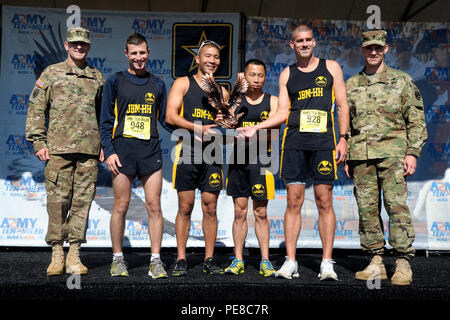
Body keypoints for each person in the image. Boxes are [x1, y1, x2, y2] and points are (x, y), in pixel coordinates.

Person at [238, 24, 350, 280]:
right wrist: (256, 127)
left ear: (314, 42)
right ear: (292, 44)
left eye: (308, 39)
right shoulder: (287, 74)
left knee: (324, 200)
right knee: (293, 202)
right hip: (295, 143)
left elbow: (343, 106)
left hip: (323, 143)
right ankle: (290, 261)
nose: (304, 44)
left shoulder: (331, 67)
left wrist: (343, 139)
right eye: (299, 40)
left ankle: (326, 262)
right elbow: (281, 113)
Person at [345, 30, 428, 286]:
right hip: (361, 157)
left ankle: (403, 262)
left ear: (386, 49)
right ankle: (376, 262)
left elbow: (416, 120)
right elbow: (345, 125)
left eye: (378, 48)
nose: (373, 52)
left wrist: (412, 152)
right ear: (362, 49)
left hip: (393, 156)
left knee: (396, 207)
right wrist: (348, 156)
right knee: (367, 210)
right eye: (369, 48)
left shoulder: (402, 81)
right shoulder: (351, 85)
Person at [25, 27, 105, 276]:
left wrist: (103, 145)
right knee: (57, 203)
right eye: (75, 43)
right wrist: (38, 143)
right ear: (66, 45)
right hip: (58, 151)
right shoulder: (51, 73)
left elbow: (104, 116)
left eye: (83, 44)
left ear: (89, 46)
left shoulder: (97, 78)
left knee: (82, 203)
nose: (79, 47)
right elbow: (37, 109)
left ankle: (75, 254)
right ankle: (57, 253)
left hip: (89, 152)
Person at [99, 33, 169, 278]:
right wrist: (108, 152)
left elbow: (164, 119)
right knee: (121, 206)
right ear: (126, 54)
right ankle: (118, 259)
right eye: (134, 53)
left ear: (149, 53)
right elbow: (105, 120)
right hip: (122, 153)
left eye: (142, 53)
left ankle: (156, 260)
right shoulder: (115, 81)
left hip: (150, 152)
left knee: (154, 206)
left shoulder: (158, 84)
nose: (139, 58)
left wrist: (191, 130)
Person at [166, 40, 229, 276]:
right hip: (188, 151)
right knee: (185, 207)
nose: (212, 60)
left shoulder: (222, 91)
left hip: (212, 153)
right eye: (208, 56)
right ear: (197, 59)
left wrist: (228, 122)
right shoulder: (183, 83)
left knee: (210, 208)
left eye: (216, 57)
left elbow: (226, 123)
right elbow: (170, 116)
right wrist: (197, 128)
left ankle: (209, 259)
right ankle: (181, 258)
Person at [224, 59, 278, 277]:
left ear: (265, 77)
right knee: (239, 212)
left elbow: (276, 126)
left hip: (262, 162)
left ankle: (265, 261)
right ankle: (238, 259)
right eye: (252, 75)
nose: (256, 79)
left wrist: (255, 129)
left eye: (261, 75)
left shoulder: (272, 101)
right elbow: (225, 135)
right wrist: (227, 126)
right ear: (243, 77)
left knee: (261, 212)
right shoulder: (234, 102)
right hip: (238, 161)